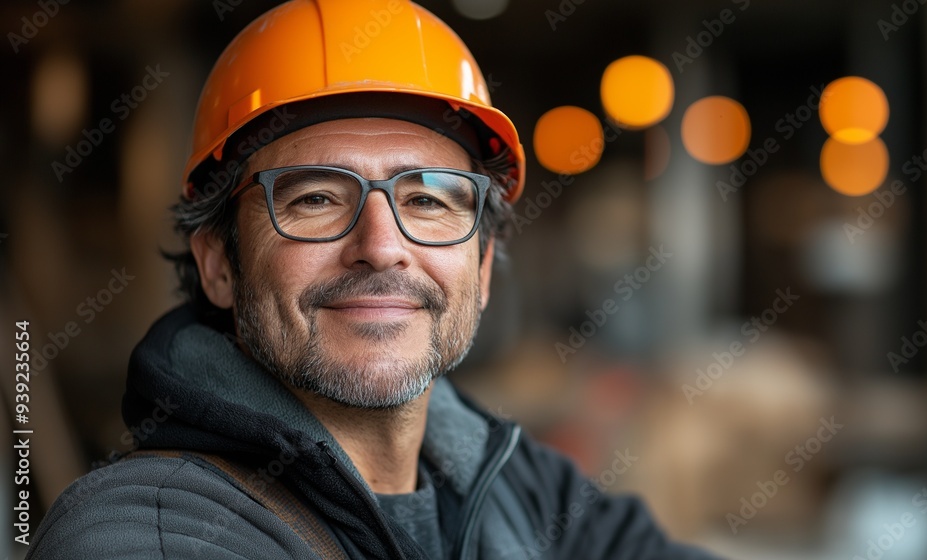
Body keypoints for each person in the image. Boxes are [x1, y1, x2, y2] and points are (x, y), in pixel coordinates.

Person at [27, 1, 721, 558]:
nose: (382, 248)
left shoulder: (514, 482)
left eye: (427, 200)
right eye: (316, 200)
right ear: (218, 264)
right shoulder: (147, 537)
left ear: (480, 268)